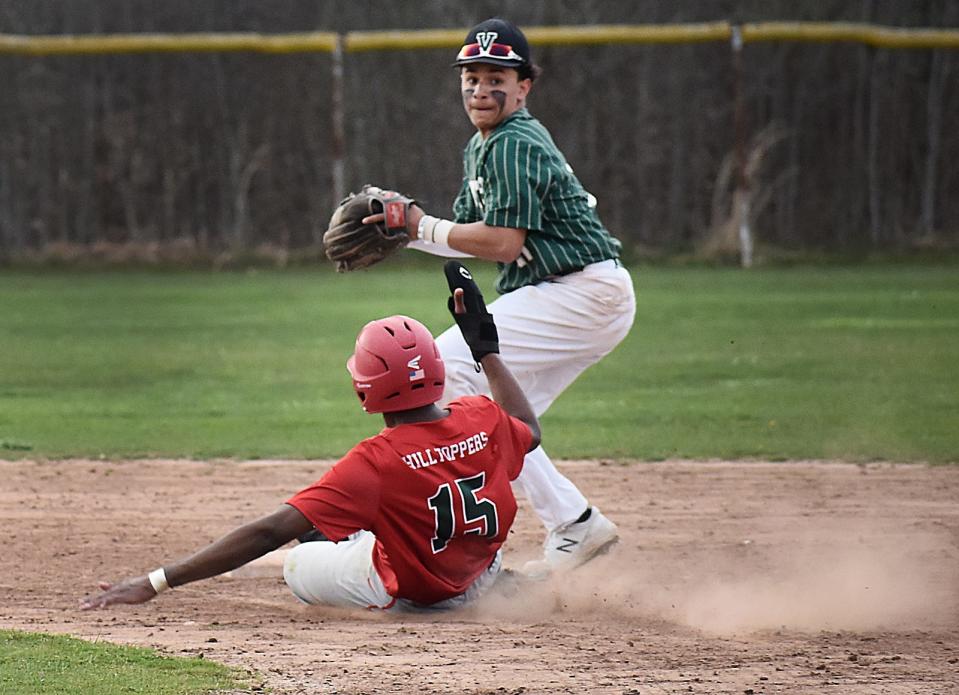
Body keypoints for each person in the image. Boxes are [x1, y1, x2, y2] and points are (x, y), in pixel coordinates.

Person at [80, 262, 540, 612]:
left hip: (422, 595)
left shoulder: (373, 462)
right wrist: (485, 349)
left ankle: (340, 536)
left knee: (301, 560)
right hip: (481, 572)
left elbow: (268, 532)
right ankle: (364, 536)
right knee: (359, 513)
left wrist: (156, 581)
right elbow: (529, 430)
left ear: (367, 387)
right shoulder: (481, 415)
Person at [365, 18, 636, 576]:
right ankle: (576, 525)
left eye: (496, 77)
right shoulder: (483, 146)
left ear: (523, 86)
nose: (480, 89)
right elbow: (468, 235)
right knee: (497, 419)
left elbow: (504, 243)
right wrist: (407, 232)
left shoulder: (514, 143)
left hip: (579, 291)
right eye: (470, 77)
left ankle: (570, 522)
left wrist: (421, 225)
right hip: (575, 294)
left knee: (445, 368)